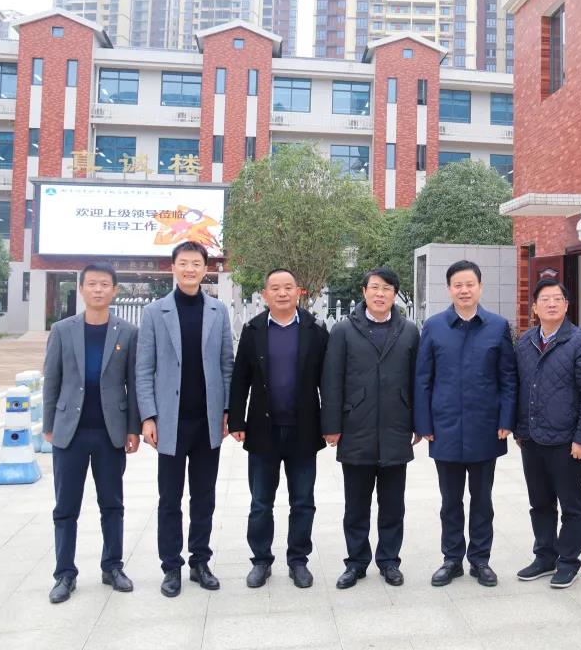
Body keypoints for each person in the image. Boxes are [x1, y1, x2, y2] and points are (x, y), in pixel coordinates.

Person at [137, 241, 234, 598]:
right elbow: (144, 369)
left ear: (205, 269)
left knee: (204, 497)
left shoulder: (218, 311)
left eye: (196, 263)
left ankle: (199, 561)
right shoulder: (154, 312)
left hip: (207, 421)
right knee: (169, 498)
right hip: (170, 421)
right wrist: (148, 416)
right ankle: (171, 566)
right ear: (173, 267)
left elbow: (227, 365)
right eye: (184, 263)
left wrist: (227, 411)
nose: (190, 269)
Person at [414, 260, 517, 588]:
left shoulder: (497, 327)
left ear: (480, 287)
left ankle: (480, 560)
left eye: (470, 284)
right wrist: (423, 423)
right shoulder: (434, 327)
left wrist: (506, 418)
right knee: (450, 501)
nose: (464, 290)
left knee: (482, 499)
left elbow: (508, 377)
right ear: (449, 289)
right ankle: (452, 559)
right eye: (457, 285)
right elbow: (422, 379)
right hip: (444, 427)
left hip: (485, 426)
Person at [42, 263, 141, 603]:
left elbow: (133, 384)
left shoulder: (127, 332)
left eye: (105, 284)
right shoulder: (62, 330)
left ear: (115, 290)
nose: (98, 290)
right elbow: (52, 380)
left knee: (112, 504)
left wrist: (133, 428)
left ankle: (112, 566)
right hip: (70, 432)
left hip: (110, 433)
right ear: (82, 288)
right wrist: (49, 425)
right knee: (65, 506)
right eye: (92, 284)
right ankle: (64, 573)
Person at [228, 268, 329, 590]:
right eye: (275, 288)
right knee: (261, 503)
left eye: (288, 287)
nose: (282, 293)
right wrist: (236, 420)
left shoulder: (315, 330)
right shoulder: (253, 329)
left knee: (303, 502)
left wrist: (331, 425)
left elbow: (327, 381)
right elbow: (240, 379)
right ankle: (261, 561)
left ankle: (298, 561)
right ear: (265, 294)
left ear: (298, 292)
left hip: (304, 430)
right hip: (263, 431)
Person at [321, 268, 420, 589]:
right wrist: (331, 425)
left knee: (393, 505)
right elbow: (331, 380)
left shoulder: (408, 331)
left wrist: (418, 422)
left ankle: (389, 561)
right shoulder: (343, 330)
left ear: (395, 295)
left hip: (396, 428)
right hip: (356, 428)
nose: (380, 293)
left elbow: (417, 381)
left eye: (387, 288)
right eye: (375, 287)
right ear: (364, 292)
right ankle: (356, 562)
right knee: (356, 505)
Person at [514, 278, 581, 589]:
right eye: (545, 299)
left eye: (557, 299)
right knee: (539, 502)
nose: (551, 304)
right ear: (534, 308)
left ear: (566, 305)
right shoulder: (525, 342)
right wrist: (519, 429)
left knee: (571, 505)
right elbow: (518, 387)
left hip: (567, 441)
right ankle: (544, 556)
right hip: (531, 438)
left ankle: (568, 561)